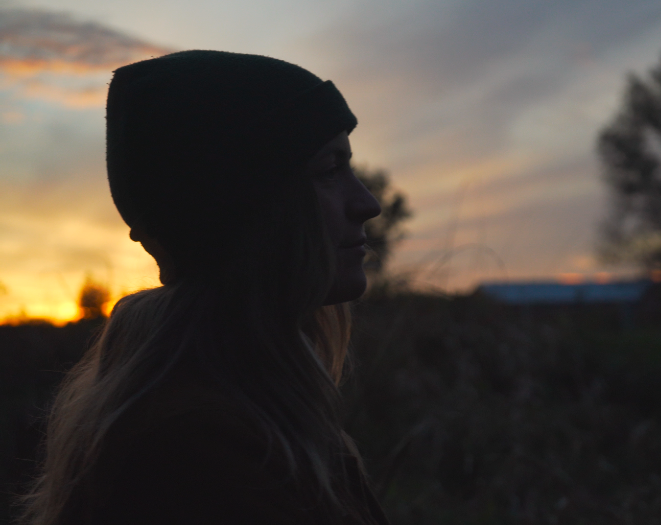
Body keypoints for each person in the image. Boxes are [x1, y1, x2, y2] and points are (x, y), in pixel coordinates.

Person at [16, 50, 387, 524]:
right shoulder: (197, 449)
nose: (368, 204)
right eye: (330, 170)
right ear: (246, 209)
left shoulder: (248, 407)